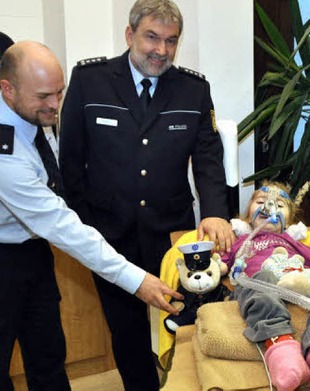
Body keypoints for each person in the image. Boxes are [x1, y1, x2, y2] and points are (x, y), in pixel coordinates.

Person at [58, 0, 233, 389]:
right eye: (152, 37)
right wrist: (84, 227)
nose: (162, 50)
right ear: (130, 35)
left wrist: (216, 211)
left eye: (171, 41)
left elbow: (207, 158)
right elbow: (71, 163)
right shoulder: (90, 81)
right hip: (109, 233)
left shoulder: (193, 88)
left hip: (172, 234)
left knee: (188, 321)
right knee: (126, 330)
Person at [0, 41, 181, 391]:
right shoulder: (5, 153)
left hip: (32, 252)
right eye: (44, 97)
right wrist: (138, 281)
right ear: (7, 89)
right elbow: (60, 224)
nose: (55, 105)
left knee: (48, 354)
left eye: (59, 92)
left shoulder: (32, 109)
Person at [221, 181, 310, 391]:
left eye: (279, 205)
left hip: (299, 282)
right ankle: (281, 347)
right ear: (248, 215)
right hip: (260, 286)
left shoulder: (292, 243)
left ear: (288, 220)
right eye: (261, 202)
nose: (269, 207)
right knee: (260, 277)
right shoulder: (241, 241)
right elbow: (219, 265)